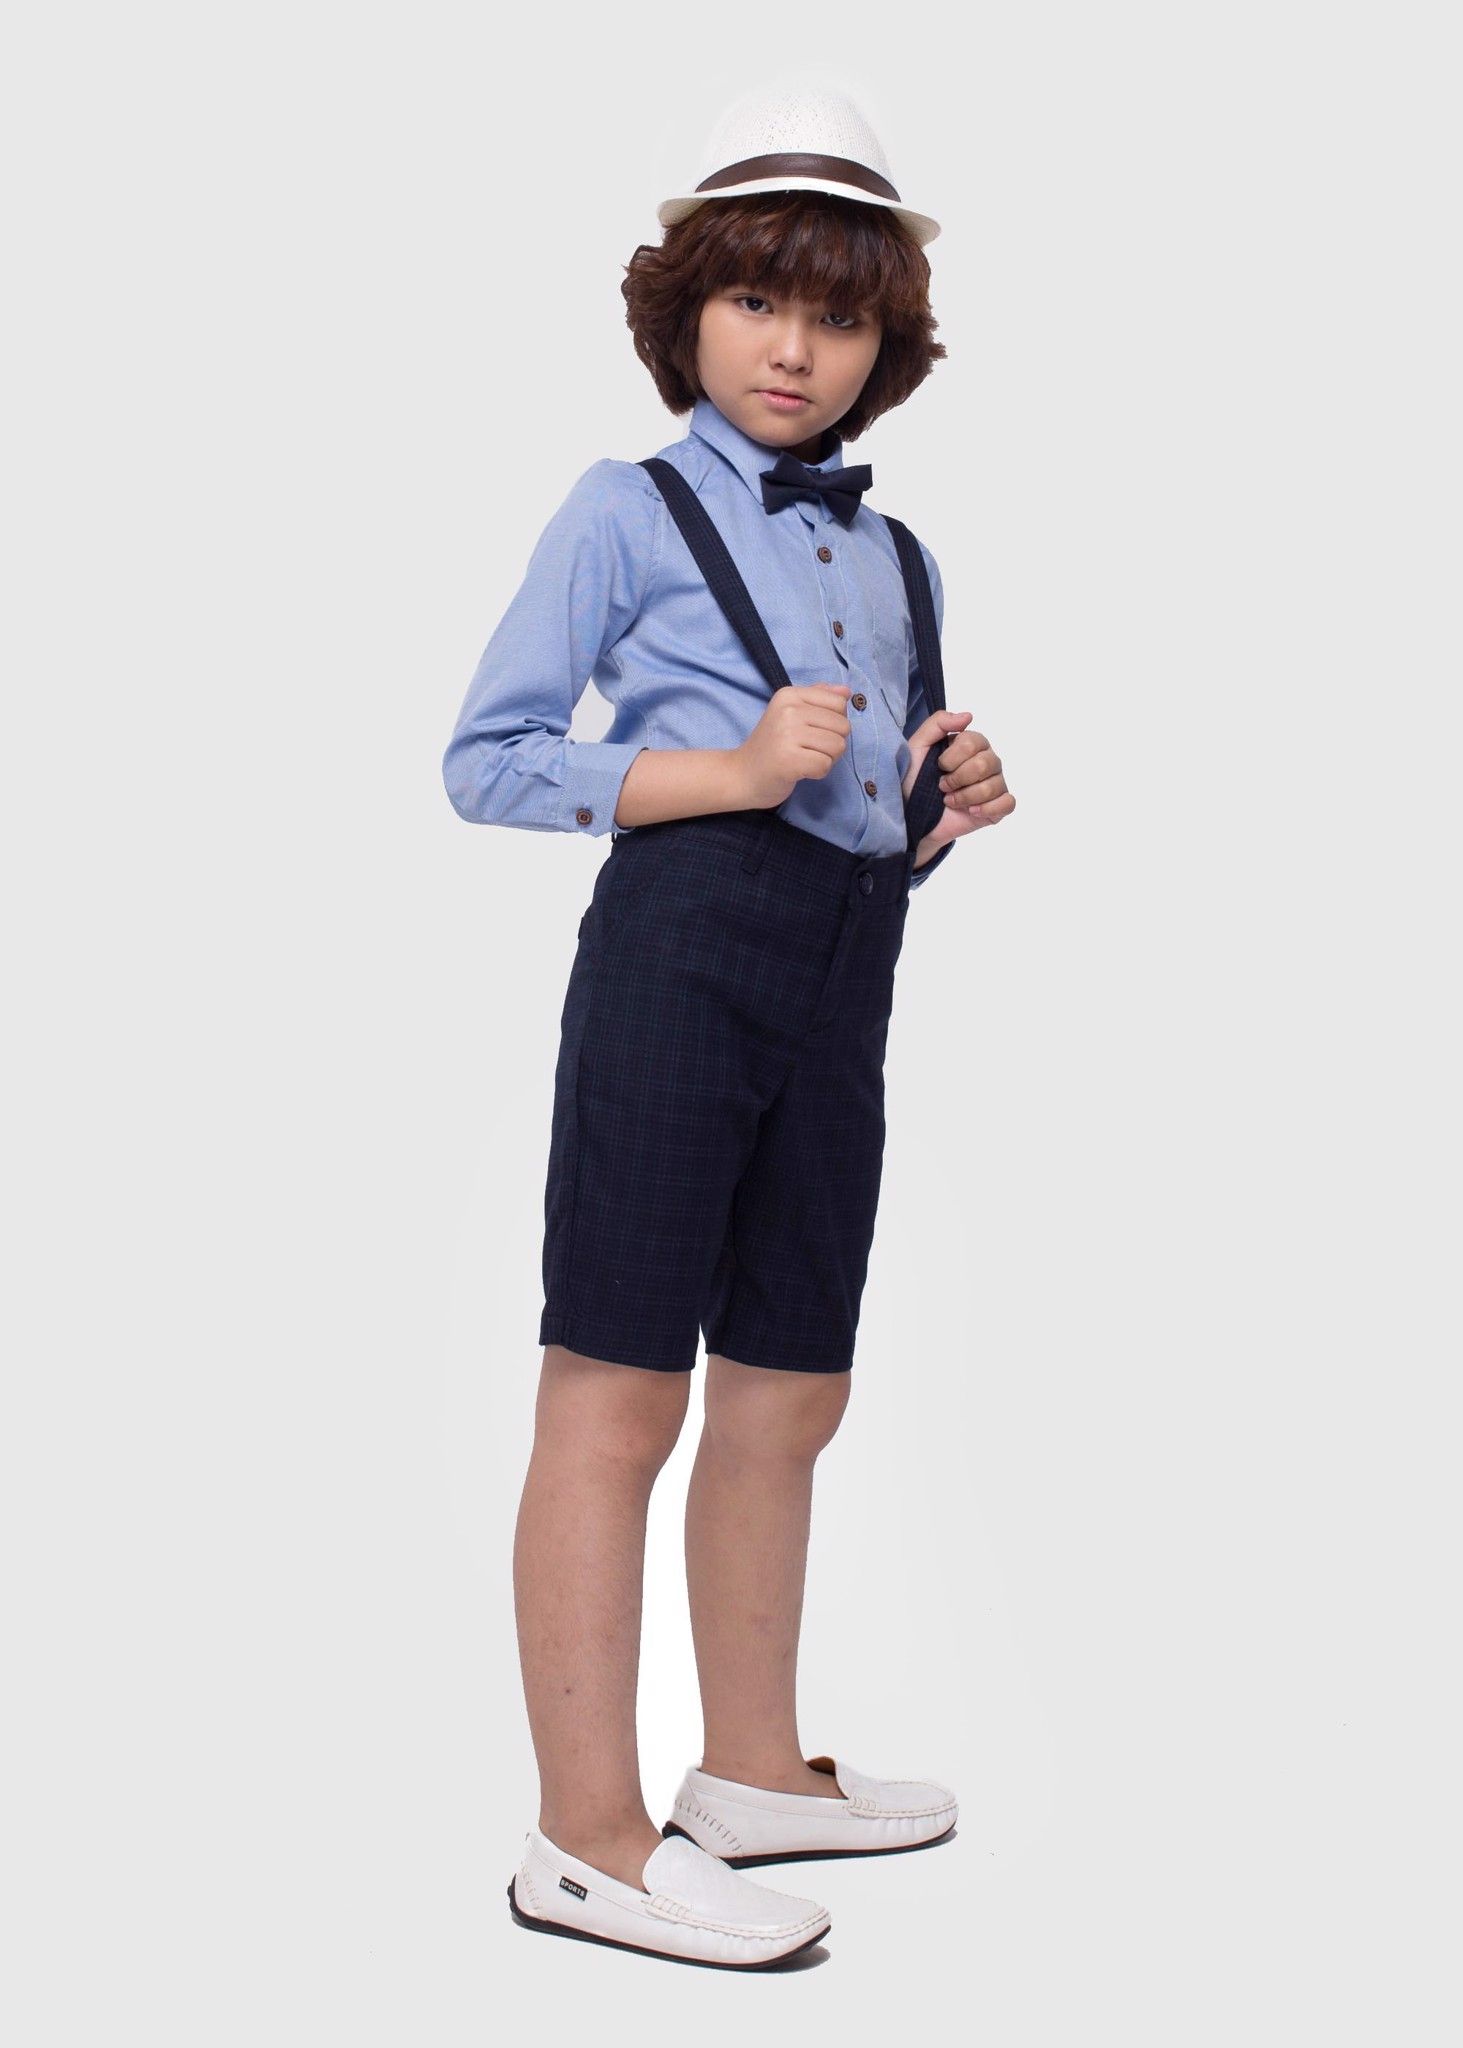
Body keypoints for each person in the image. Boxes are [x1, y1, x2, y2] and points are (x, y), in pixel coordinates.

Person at [442, 84, 1015, 1970]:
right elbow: (489, 760)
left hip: (844, 972)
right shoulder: (627, 509)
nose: (794, 348)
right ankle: (586, 1835)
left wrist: (942, 800)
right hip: (679, 957)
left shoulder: (900, 557)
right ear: (686, 309)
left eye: (838, 318)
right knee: (618, 1389)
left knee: (791, 1385)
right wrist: (728, 771)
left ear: (883, 348)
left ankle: (751, 1773)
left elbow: (870, 819)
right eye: (759, 301)